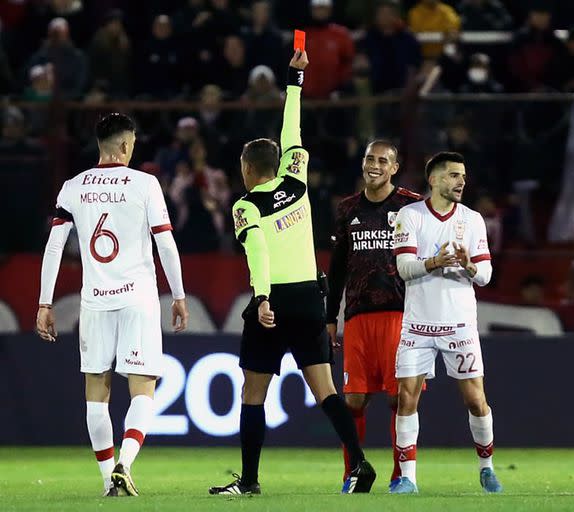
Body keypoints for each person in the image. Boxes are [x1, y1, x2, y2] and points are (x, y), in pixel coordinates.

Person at [208, 49, 376, 496]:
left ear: (247, 170)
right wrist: (295, 82)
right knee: (325, 390)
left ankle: (249, 481)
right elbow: (292, 131)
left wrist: (261, 298)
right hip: (309, 297)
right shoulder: (297, 183)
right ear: (279, 164)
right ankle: (359, 463)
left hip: (275, 301)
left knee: (253, 395)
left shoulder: (246, 205)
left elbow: (258, 251)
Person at [36, 113, 189, 497]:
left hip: (95, 301)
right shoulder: (145, 183)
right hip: (138, 298)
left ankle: (109, 481)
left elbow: (54, 246)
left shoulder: (73, 186)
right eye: (132, 143)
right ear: (124, 145)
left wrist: (44, 302)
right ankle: (126, 463)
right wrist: (180, 294)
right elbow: (165, 243)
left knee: (96, 393)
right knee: (143, 389)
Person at [390, 152, 502, 494]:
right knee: (406, 398)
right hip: (418, 325)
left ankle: (487, 467)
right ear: (435, 179)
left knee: (475, 400)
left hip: (459, 325)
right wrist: (434, 262)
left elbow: (485, 274)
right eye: (454, 175)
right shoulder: (409, 216)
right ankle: (407, 477)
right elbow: (404, 268)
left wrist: (469, 266)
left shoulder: (473, 220)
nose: (461, 182)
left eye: (463, 176)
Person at [326, 140, 421, 491]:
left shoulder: (412, 207)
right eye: (370, 158)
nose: (375, 165)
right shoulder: (347, 209)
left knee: (400, 398)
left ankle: (402, 475)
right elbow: (337, 269)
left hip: (402, 314)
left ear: (395, 168)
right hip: (357, 315)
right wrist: (329, 316)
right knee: (353, 400)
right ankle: (353, 472)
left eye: (383, 160)